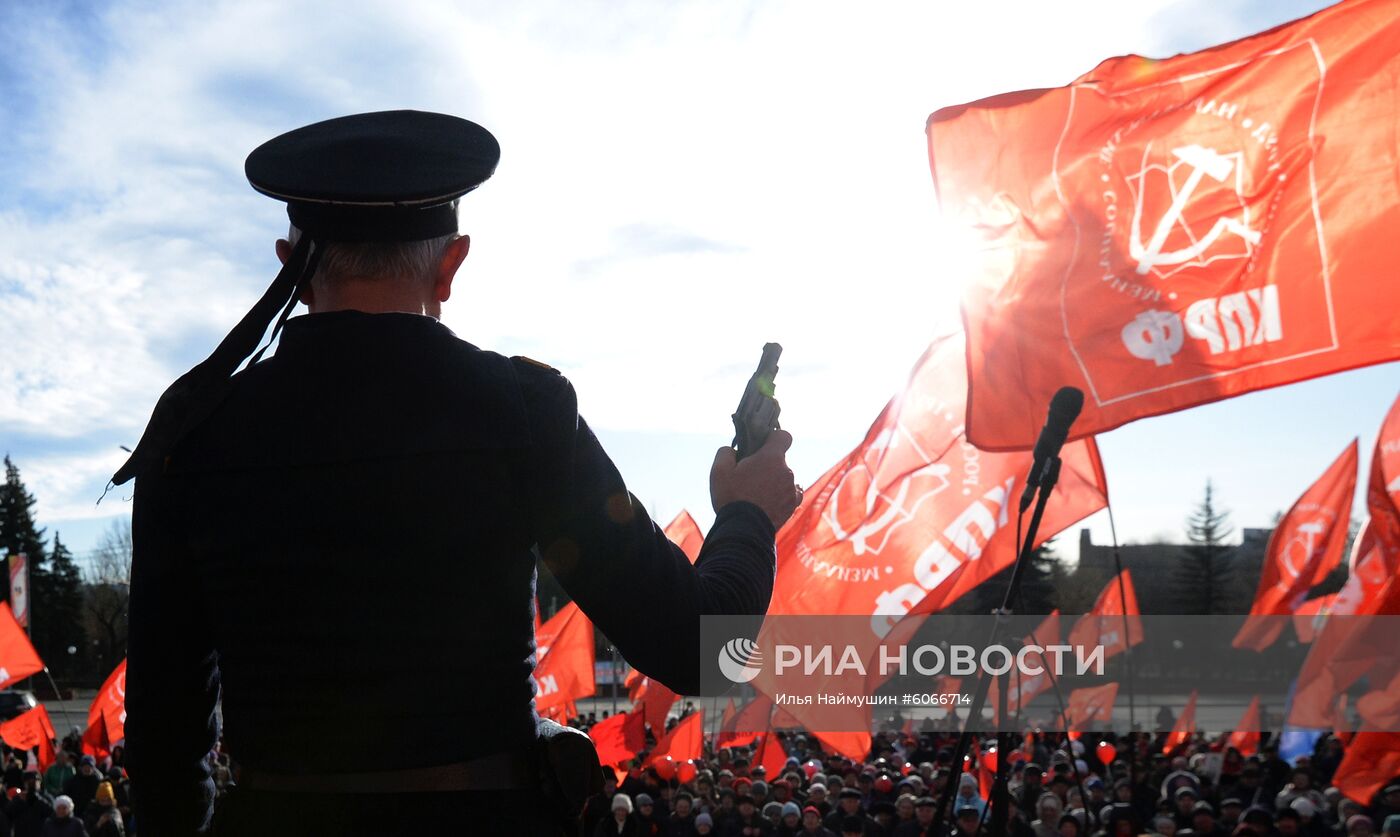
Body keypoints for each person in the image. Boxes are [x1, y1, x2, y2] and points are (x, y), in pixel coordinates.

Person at [120, 111, 801, 837]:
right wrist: (746, 515)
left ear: (291, 261)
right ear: (452, 264)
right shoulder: (524, 411)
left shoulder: (195, 433)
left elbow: (165, 742)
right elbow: (698, 647)